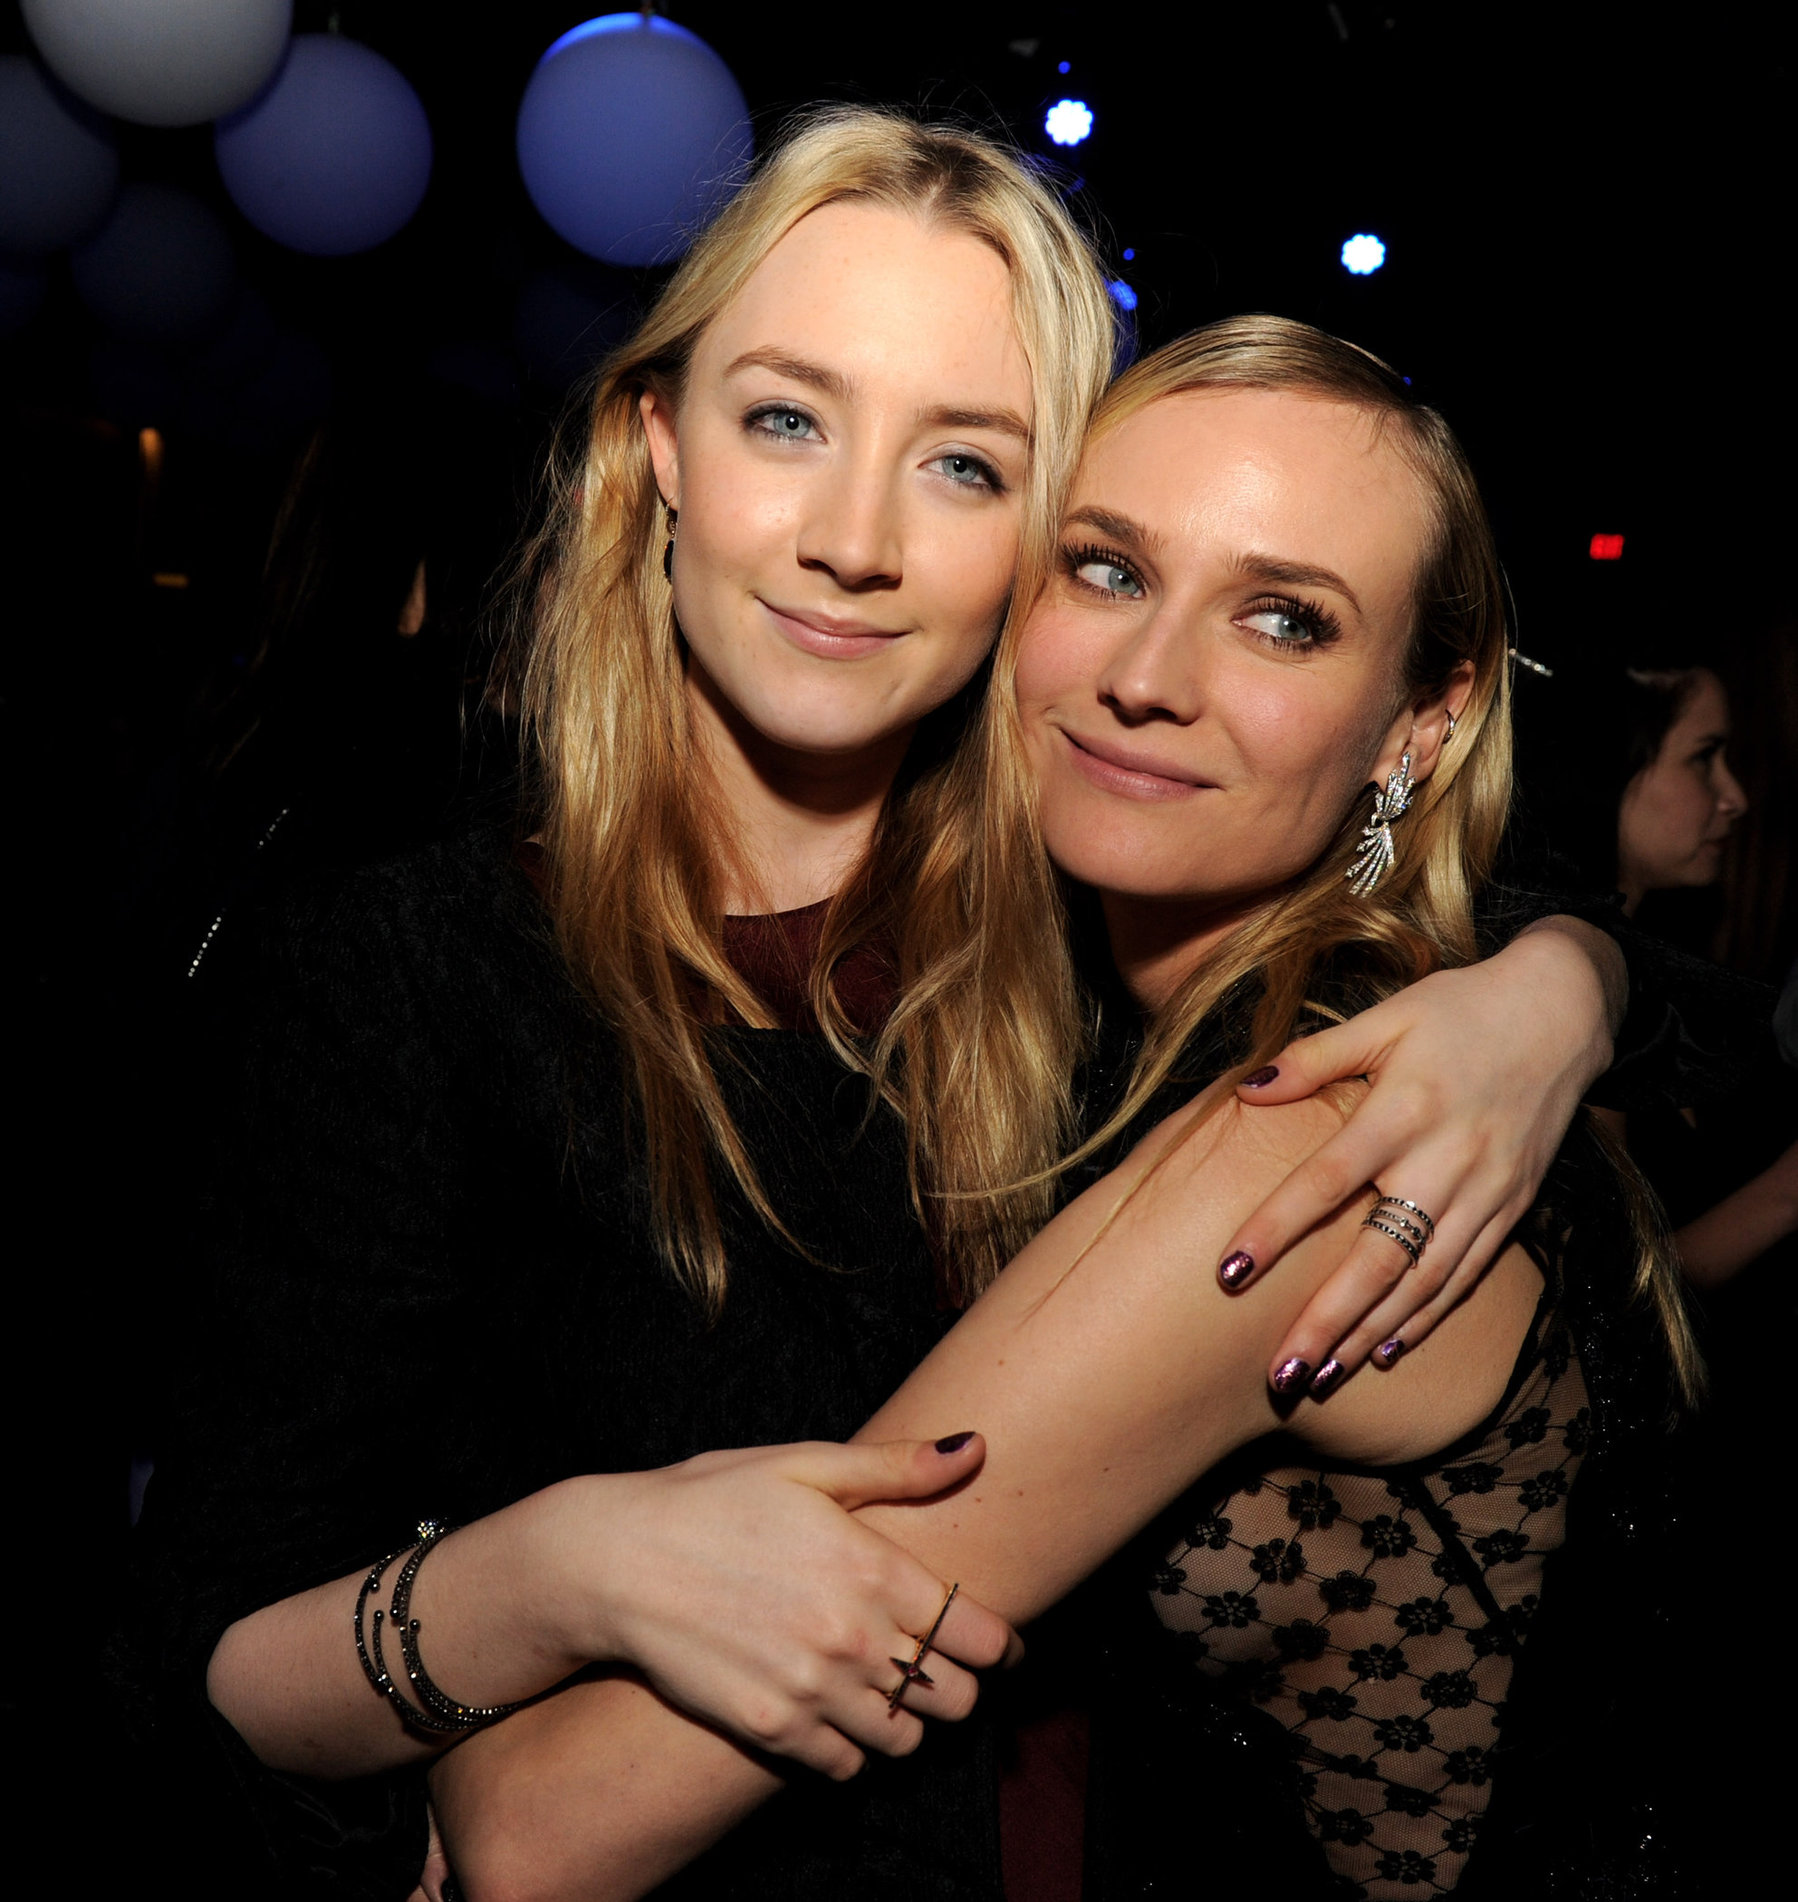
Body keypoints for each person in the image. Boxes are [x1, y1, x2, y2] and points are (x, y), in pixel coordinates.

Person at [126, 113, 1647, 1900]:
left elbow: (1356, 900)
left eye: (964, 465)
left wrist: (1554, 984)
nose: (854, 538)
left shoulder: (1088, 961)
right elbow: (196, 1659)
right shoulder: (402, 971)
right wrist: (555, 1568)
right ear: (657, 446)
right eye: (787, 417)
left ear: (1035, 539)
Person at [426, 318, 1704, 1901]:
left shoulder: (1305, 1135)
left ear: (1417, 725)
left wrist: (512, 1583)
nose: (1147, 679)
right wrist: (1577, 973)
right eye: (1105, 569)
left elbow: (546, 1832)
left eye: (1284, 619)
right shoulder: (1131, 1031)